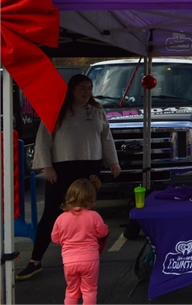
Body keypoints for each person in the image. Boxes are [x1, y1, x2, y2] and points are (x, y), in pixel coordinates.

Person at [17, 74, 121, 280]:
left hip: (90, 165)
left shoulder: (98, 110)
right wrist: (46, 166)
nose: (86, 92)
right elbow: (43, 138)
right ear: (71, 89)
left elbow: (106, 138)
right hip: (61, 168)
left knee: (86, 213)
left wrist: (113, 161)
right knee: (52, 213)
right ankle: (35, 260)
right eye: (82, 88)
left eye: (89, 88)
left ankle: (86, 257)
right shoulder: (57, 109)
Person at [52, 177, 109, 305]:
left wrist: (66, 241)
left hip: (69, 260)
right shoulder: (94, 216)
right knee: (89, 290)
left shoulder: (61, 218)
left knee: (71, 290)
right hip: (90, 259)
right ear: (90, 199)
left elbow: (55, 238)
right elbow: (102, 232)